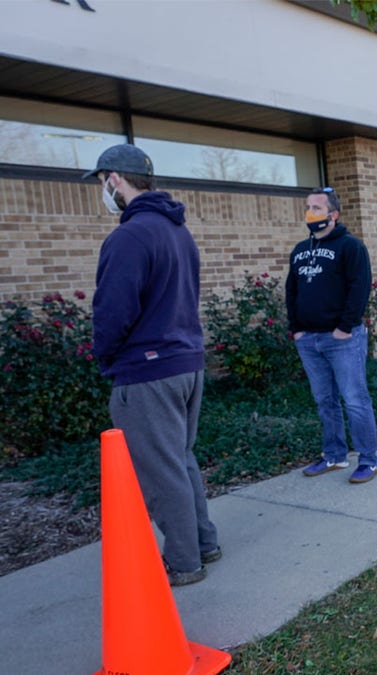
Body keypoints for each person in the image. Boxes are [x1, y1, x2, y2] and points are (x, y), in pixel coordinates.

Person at [85, 144, 219, 586]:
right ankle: (203, 543)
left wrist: (105, 357)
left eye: (102, 182)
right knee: (180, 460)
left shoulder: (129, 236)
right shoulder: (178, 231)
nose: (103, 191)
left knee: (161, 472)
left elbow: (112, 312)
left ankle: (183, 563)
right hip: (186, 362)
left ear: (114, 180)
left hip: (148, 370)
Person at [286, 187, 377, 484]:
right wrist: (296, 328)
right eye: (308, 207)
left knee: (355, 400)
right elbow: (292, 290)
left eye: (316, 207)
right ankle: (335, 455)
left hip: (342, 339)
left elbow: (360, 288)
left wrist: (345, 327)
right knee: (324, 400)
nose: (310, 212)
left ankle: (368, 460)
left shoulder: (351, 247)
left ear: (333, 214)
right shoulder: (300, 250)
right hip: (309, 340)